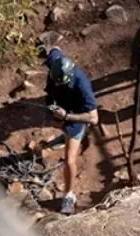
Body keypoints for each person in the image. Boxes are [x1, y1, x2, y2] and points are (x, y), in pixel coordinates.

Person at [43, 47, 99, 216]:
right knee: (57, 124)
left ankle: (68, 195)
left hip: (76, 114)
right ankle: (65, 135)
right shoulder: (56, 64)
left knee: (69, 160)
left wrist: (67, 116)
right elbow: (54, 50)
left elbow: (94, 118)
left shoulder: (82, 85)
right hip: (61, 107)